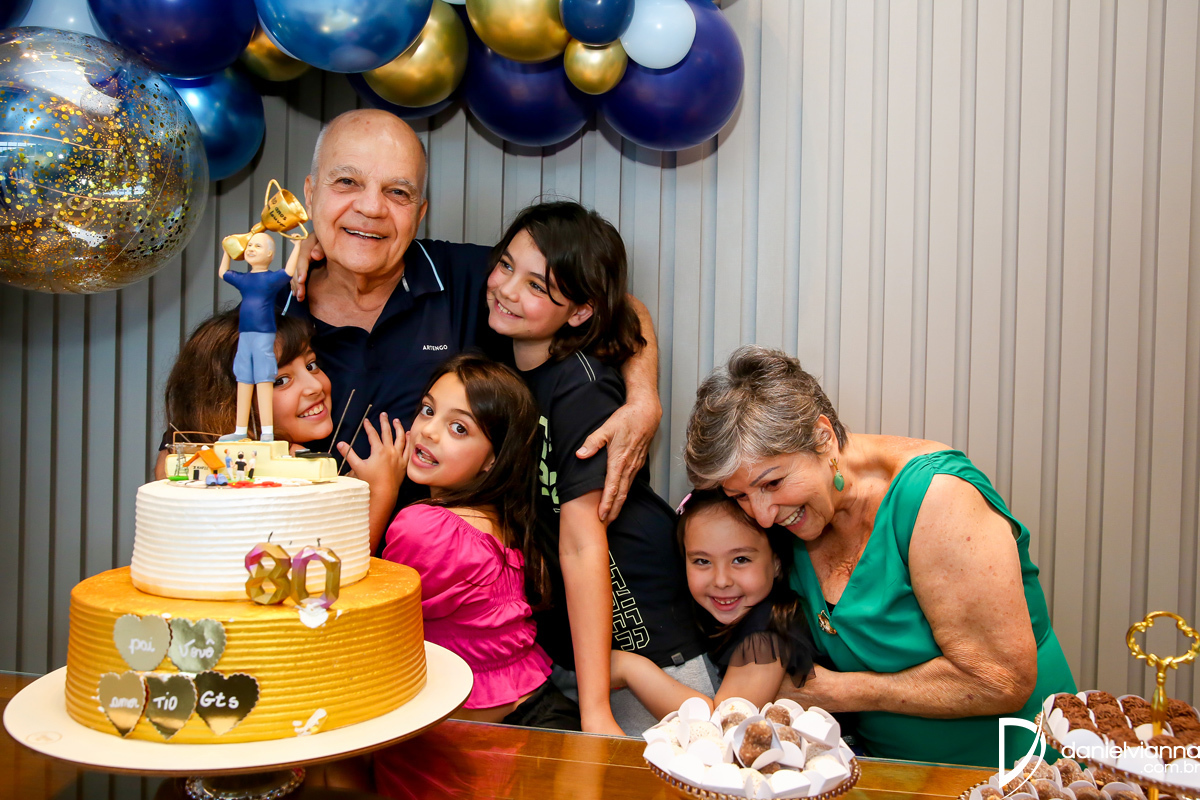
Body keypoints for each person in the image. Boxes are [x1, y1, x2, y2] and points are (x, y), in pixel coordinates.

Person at [683, 345, 1077, 767]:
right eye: (740, 495)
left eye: (773, 483)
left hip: (1016, 768)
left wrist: (840, 692)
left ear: (823, 437)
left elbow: (1002, 681)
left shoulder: (937, 498)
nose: (762, 515)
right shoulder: (791, 516)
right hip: (885, 773)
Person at [286, 109, 658, 522]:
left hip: (454, 556)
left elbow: (617, 304)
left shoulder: (471, 280)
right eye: (347, 182)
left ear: (419, 213)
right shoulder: (269, 315)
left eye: (398, 192)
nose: (371, 207)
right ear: (310, 193)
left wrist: (644, 401)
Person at [486, 201, 710, 736]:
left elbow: (581, 544)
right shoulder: (513, 356)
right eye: (506, 265)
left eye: (537, 286)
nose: (508, 289)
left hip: (648, 638)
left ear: (580, 312)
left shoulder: (581, 386)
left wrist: (595, 711)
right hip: (581, 648)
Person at [378, 354, 578, 729]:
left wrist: (382, 493)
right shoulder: (501, 521)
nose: (428, 431)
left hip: (508, 738)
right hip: (542, 709)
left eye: (458, 428)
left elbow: (365, 615)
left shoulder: (424, 527)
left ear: (493, 460)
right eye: (427, 410)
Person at [155, 309, 403, 549]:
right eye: (281, 381)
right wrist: (383, 491)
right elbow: (330, 562)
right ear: (226, 402)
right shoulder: (287, 469)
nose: (315, 386)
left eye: (311, 365)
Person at [609, 489, 815, 716]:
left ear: (776, 563)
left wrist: (630, 669)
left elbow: (723, 723)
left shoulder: (767, 633)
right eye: (702, 561)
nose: (721, 581)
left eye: (740, 559)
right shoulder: (716, 612)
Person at [217, 232, 303, 443]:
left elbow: (289, 271)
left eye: (258, 246)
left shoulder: (271, 279)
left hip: (264, 335)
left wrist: (297, 246)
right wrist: (227, 251)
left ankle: (267, 432)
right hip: (244, 335)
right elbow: (223, 272)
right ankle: (240, 430)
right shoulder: (244, 279)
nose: (251, 249)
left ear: (270, 254)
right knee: (243, 379)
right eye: (249, 246)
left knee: (264, 380)